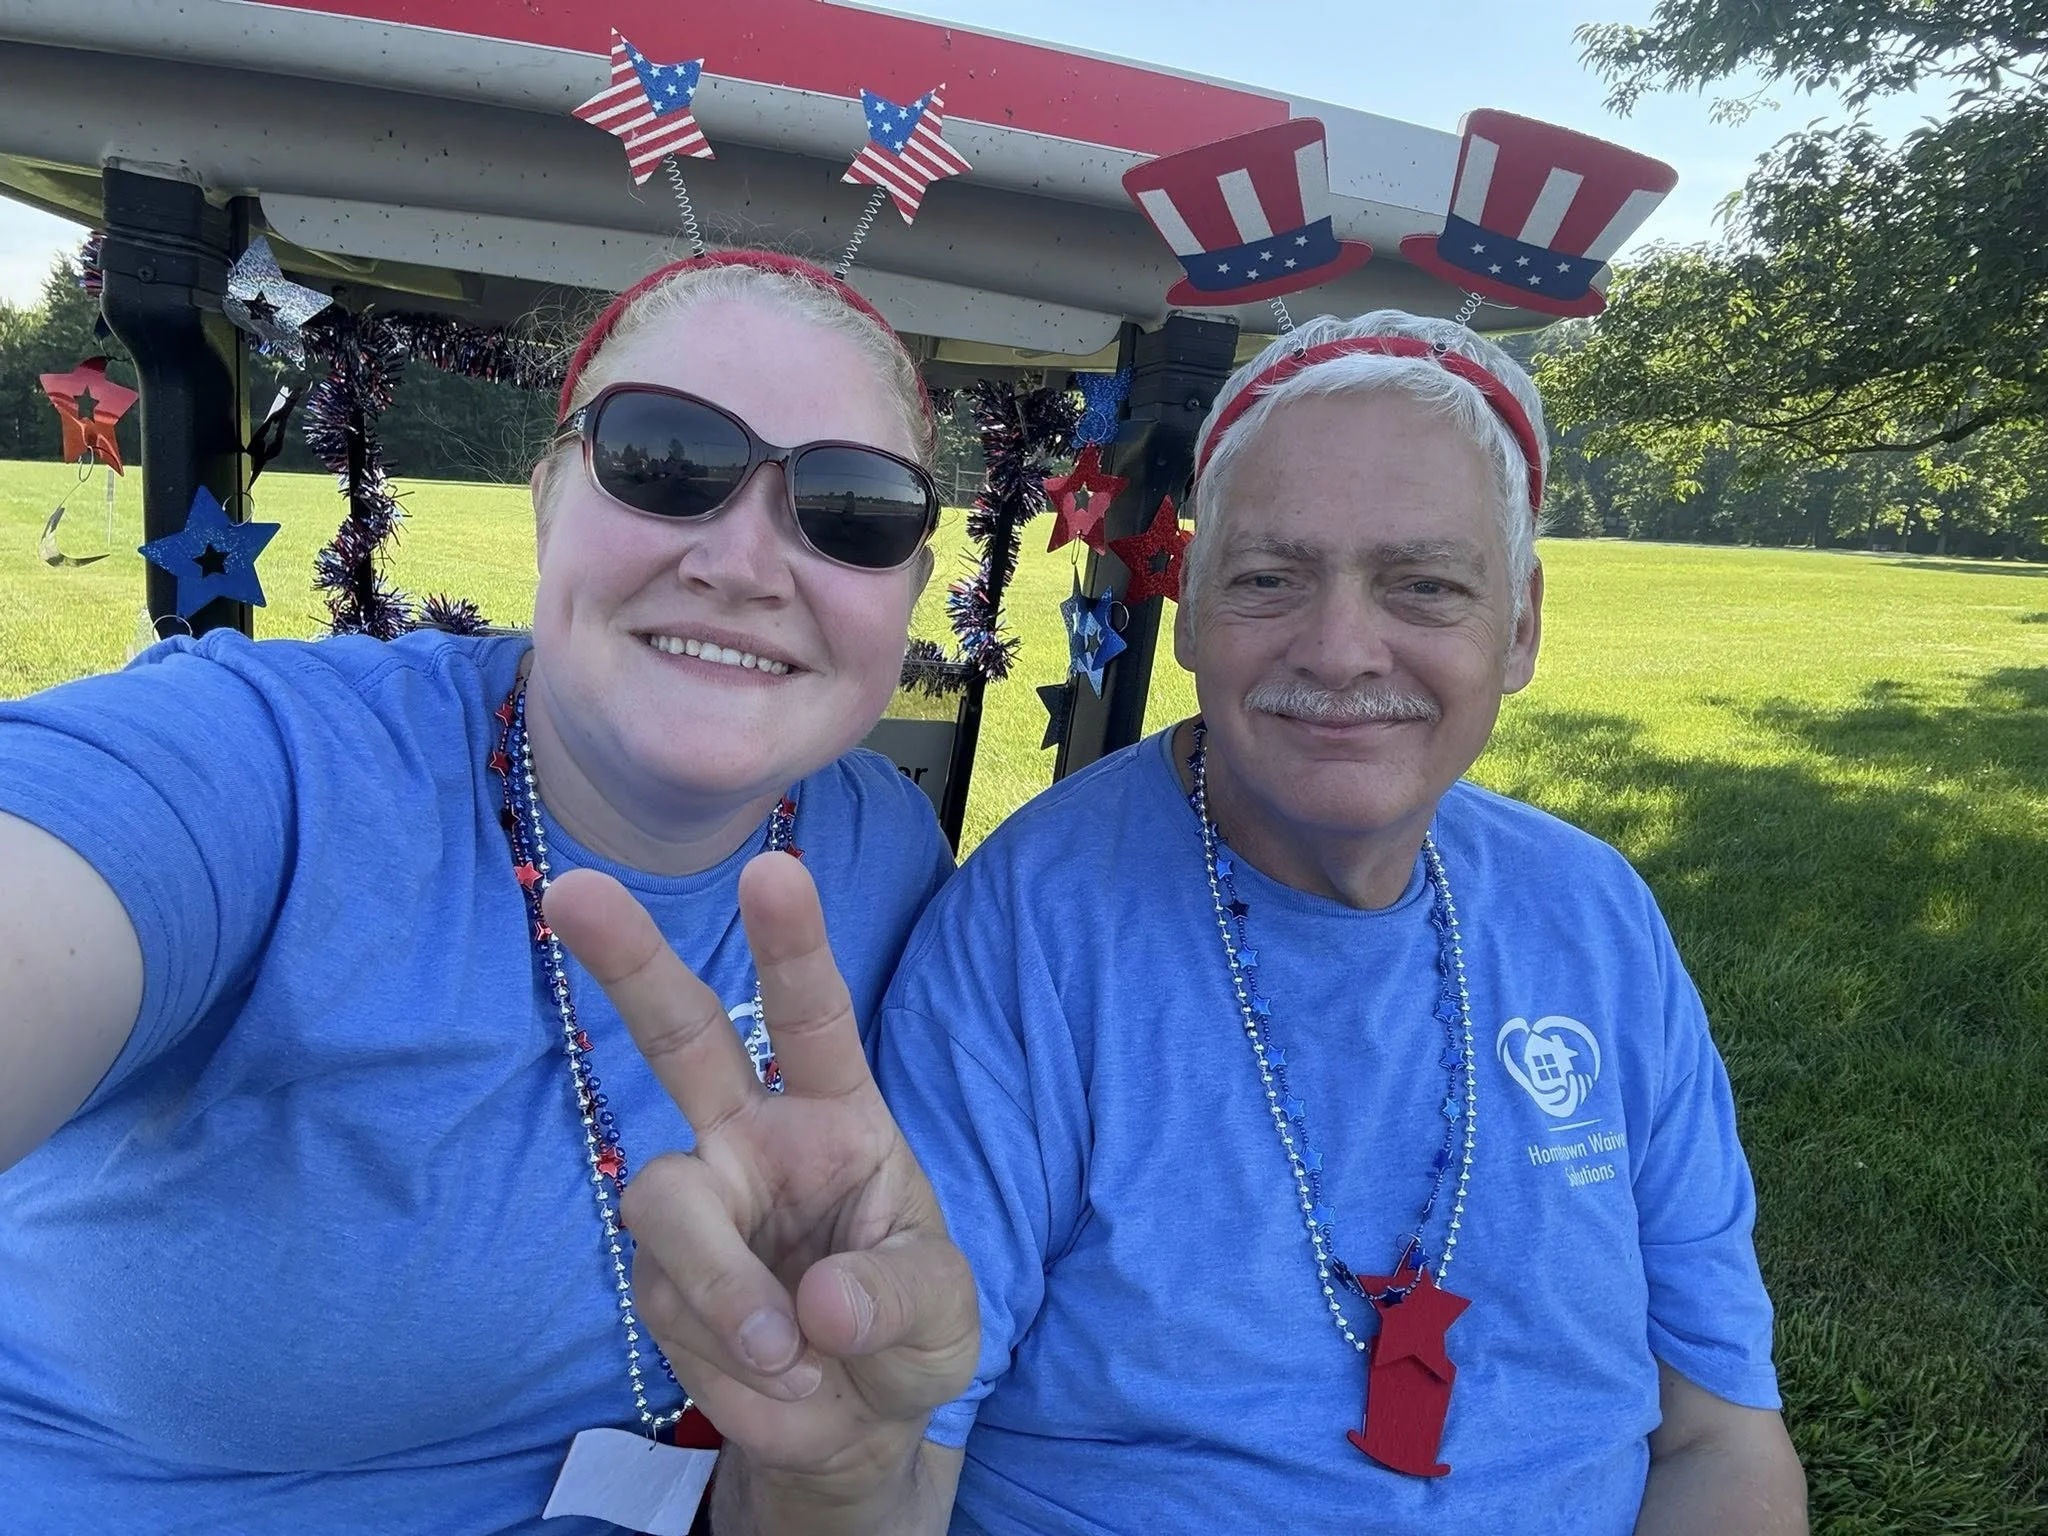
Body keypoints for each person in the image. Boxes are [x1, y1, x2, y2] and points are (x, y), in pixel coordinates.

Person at [550, 310, 1810, 1535]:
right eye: (1269, 578)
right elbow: (896, 1465)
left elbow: (1719, 1435)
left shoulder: (1593, 914)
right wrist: (829, 1475)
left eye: (1424, 586)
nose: (1342, 647)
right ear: (1193, 606)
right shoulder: (1031, 930)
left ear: (1520, 623)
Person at [0, 251, 957, 1533]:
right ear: (548, 496)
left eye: (850, 505)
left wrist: (837, 1469)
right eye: (664, 458)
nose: (744, 562)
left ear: (905, 580)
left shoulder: (889, 856)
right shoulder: (268, 765)